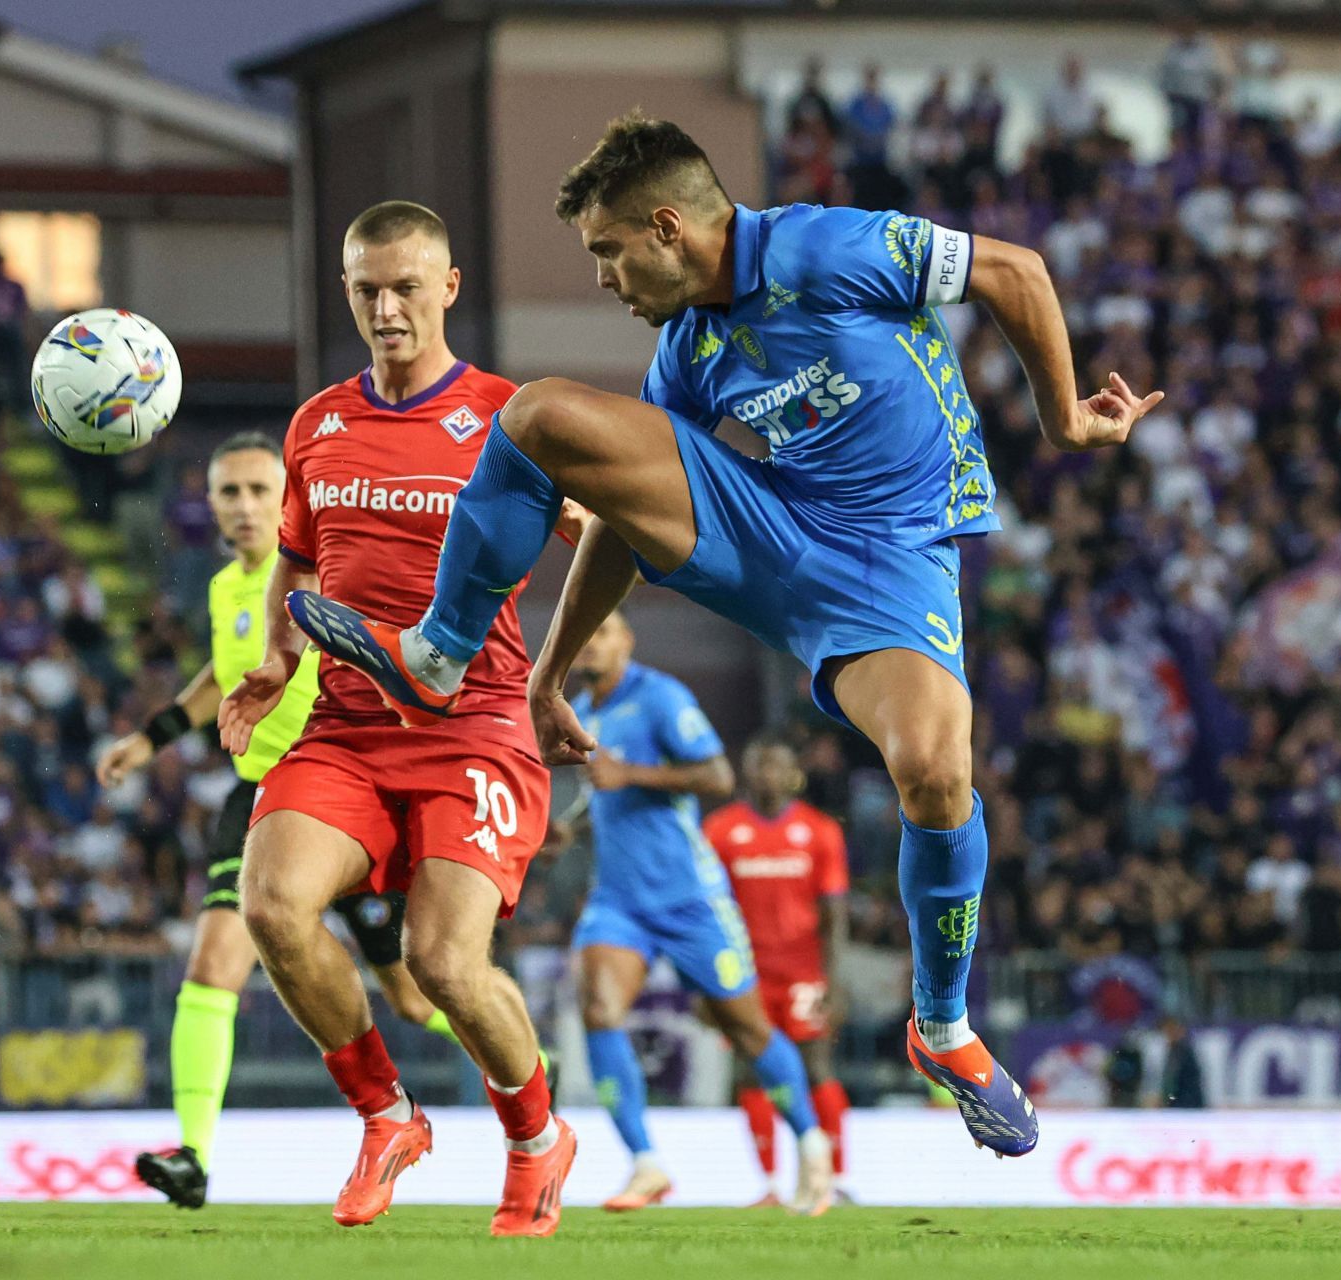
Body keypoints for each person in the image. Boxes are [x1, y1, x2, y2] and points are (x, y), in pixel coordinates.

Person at [289, 113, 1163, 1159]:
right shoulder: (689, 350)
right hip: (774, 535)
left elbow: (1014, 270)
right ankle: (439, 650)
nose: (606, 280)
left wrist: (1065, 418)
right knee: (539, 417)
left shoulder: (822, 248)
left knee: (934, 768)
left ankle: (945, 1027)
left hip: (889, 562)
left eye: (610, 253)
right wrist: (550, 672)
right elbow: (623, 515)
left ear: (668, 227)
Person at [218, 201, 587, 1237]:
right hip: (344, 722)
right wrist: (272, 661)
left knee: (444, 960)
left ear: (449, 287)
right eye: (367, 289)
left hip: (474, 725)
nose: (386, 307)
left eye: (406, 287)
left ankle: (535, 1136)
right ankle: (387, 1115)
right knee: (275, 905)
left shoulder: (509, 419)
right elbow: (297, 558)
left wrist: (556, 670)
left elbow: (596, 533)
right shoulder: (317, 424)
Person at [94, 432, 459, 1209]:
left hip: (352, 794)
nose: (246, 506)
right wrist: (148, 739)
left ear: (289, 498)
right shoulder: (230, 589)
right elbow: (217, 679)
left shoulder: (331, 576)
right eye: (230, 492)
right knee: (212, 965)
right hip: (260, 796)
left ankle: (532, 1069)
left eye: (261, 490)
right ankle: (192, 1153)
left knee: (419, 993)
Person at [564, 613, 833, 1215]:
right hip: (619, 900)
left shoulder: (660, 696)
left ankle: (812, 1145)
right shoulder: (583, 710)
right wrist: (569, 826)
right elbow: (606, 795)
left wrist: (628, 772)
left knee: (746, 1029)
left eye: (603, 631)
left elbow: (717, 774)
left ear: (627, 641)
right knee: (599, 1010)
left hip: (690, 900)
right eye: (584, 633)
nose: (591, 643)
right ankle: (645, 1162)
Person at [703, 736, 852, 1202]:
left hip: (804, 973)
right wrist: (703, 981)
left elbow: (835, 915)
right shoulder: (720, 831)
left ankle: (835, 1178)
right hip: (744, 976)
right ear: (747, 773)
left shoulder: (821, 831)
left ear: (794, 775)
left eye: (777, 764)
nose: (767, 773)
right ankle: (767, 1183)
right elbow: (705, 913)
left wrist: (836, 979)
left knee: (816, 1068)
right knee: (749, 1074)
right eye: (759, 763)